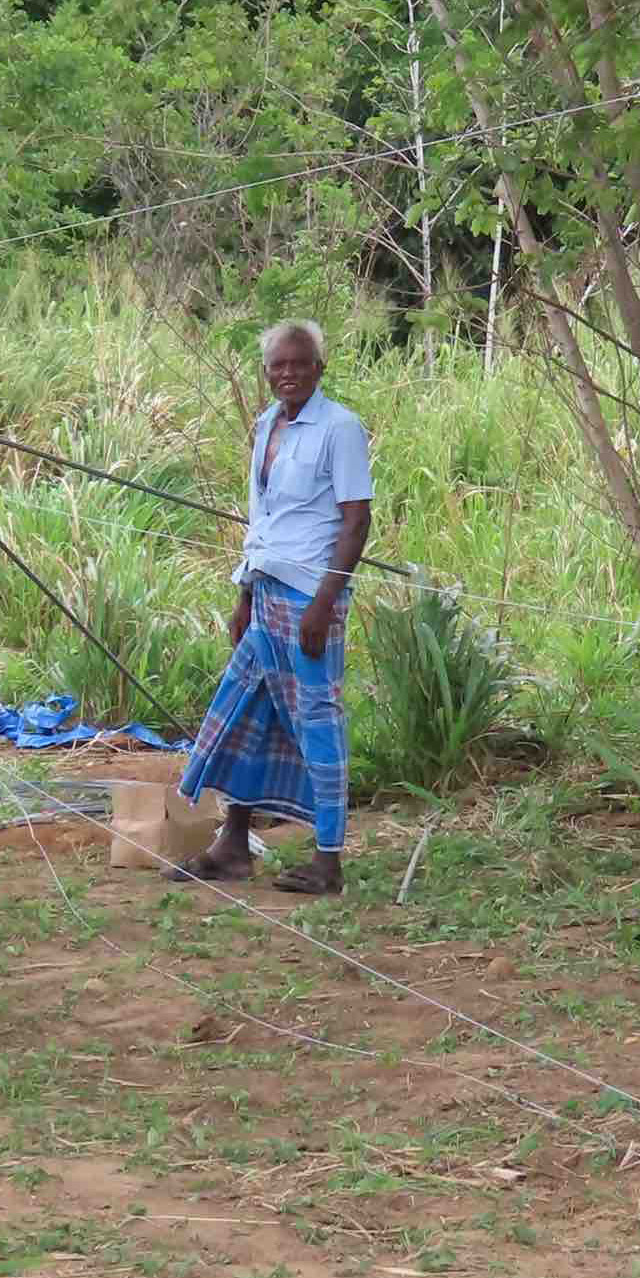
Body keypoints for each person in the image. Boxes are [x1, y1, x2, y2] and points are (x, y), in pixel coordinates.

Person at [176, 318, 373, 895]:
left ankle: (328, 861)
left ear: (320, 367)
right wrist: (243, 593)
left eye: (300, 363)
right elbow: (260, 519)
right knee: (249, 714)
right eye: (278, 366)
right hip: (263, 593)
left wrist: (324, 603)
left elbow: (356, 520)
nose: (288, 373)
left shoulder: (340, 427)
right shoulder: (266, 426)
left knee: (317, 723)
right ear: (266, 374)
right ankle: (232, 846)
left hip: (310, 596)